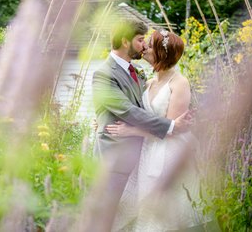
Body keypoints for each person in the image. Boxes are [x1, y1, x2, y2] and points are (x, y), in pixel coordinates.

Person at [89, 20, 191, 232]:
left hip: (149, 154)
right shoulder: (104, 74)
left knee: (147, 215)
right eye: (140, 40)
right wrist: (170, 125)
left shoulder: (141, 74)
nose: (144, 45)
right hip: (116, 159)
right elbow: (127, 110)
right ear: (126, 41)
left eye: (147, 42)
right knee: (109, 218)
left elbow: (142, 108)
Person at [106, 30, 212, 231]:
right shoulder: (149, 82)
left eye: (149, 45)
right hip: (149, 151)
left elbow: (172, 128)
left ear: (162, 53)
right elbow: (137, 113)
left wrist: (131, 132)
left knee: (167, 211)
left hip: (169, 153)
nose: (144, 47)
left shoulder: (179, 83)